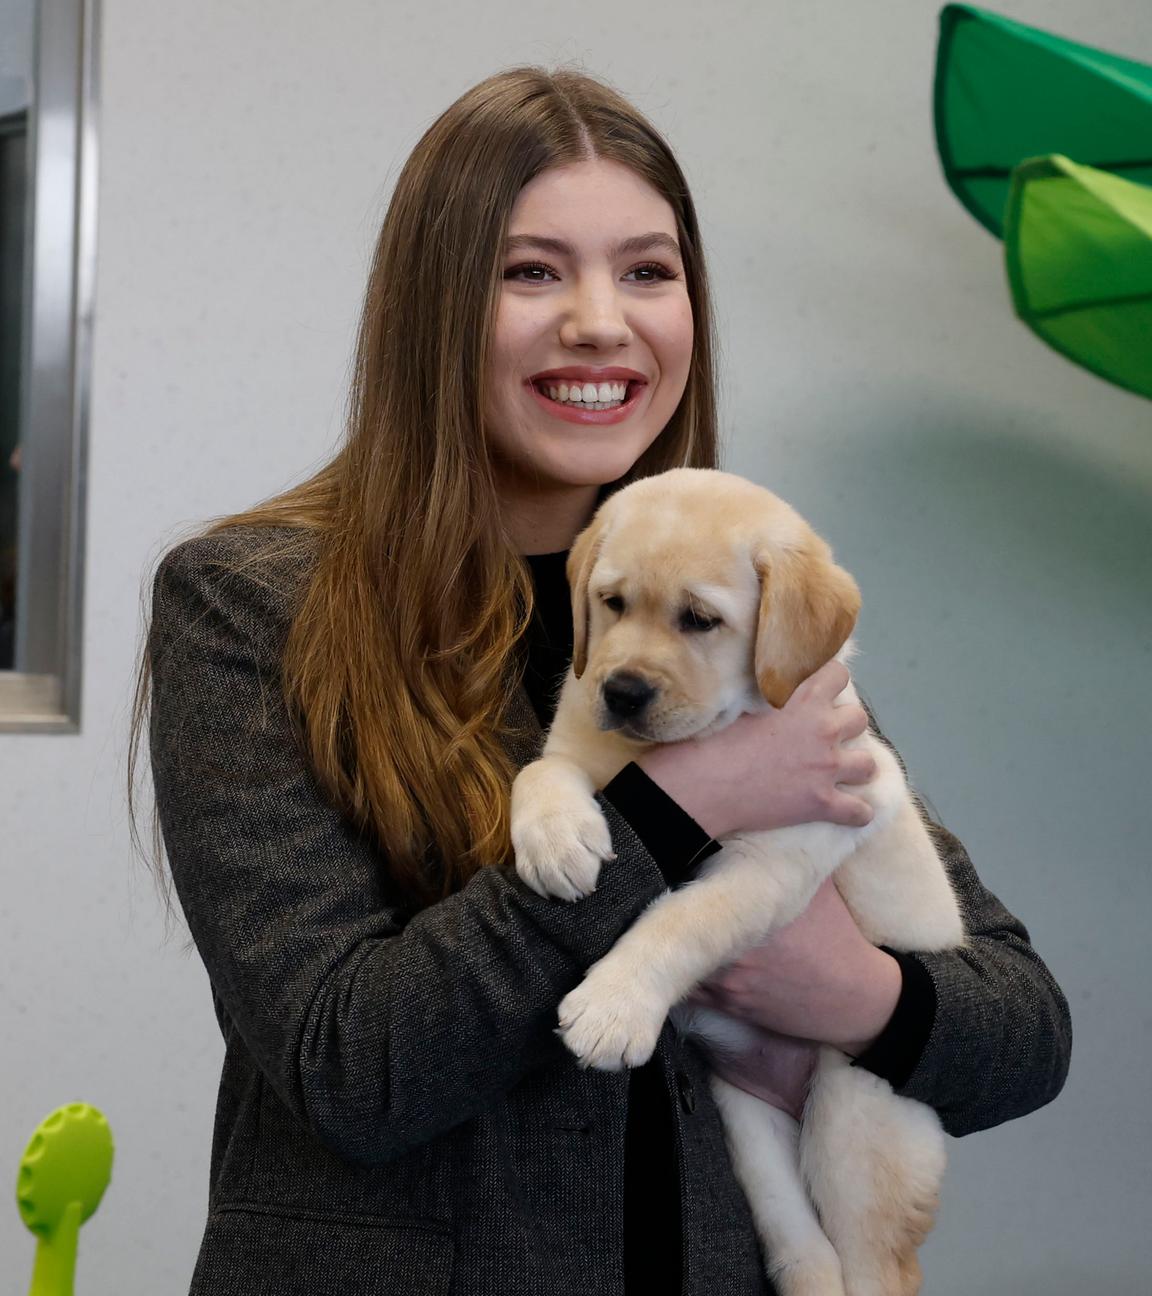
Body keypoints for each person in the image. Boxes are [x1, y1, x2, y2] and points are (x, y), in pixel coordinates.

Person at [129, 66, 1071, 1296]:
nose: (599, 322)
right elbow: (350, 1068)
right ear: (434, 307)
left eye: (648, 270)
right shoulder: (252, 601)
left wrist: (855, 994)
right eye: (531, 271)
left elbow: (1024, 1031)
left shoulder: (741, 611)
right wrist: (679, 810)